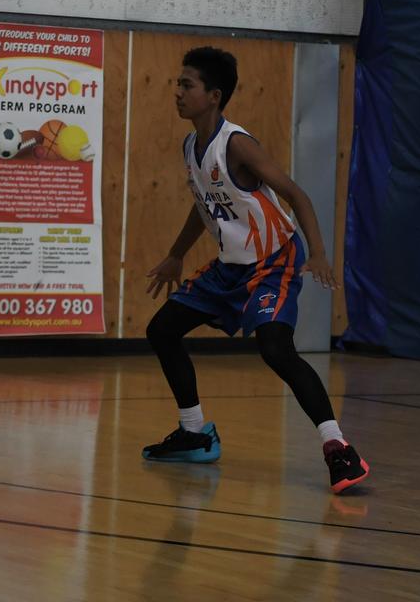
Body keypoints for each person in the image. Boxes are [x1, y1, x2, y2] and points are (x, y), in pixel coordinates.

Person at [141, 46, 369, 494]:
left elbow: (298, 195)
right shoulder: (192, 146)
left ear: (214, 95)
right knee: (162, 330)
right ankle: (194, 433)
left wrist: (319, 254)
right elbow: (204, 207)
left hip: (274, 261)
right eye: (177, 83)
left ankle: (339, 449)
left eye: (187, 85)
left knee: (276, 349)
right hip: (231, 267)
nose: (177, 92)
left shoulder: (237, 143)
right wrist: (175, 253)